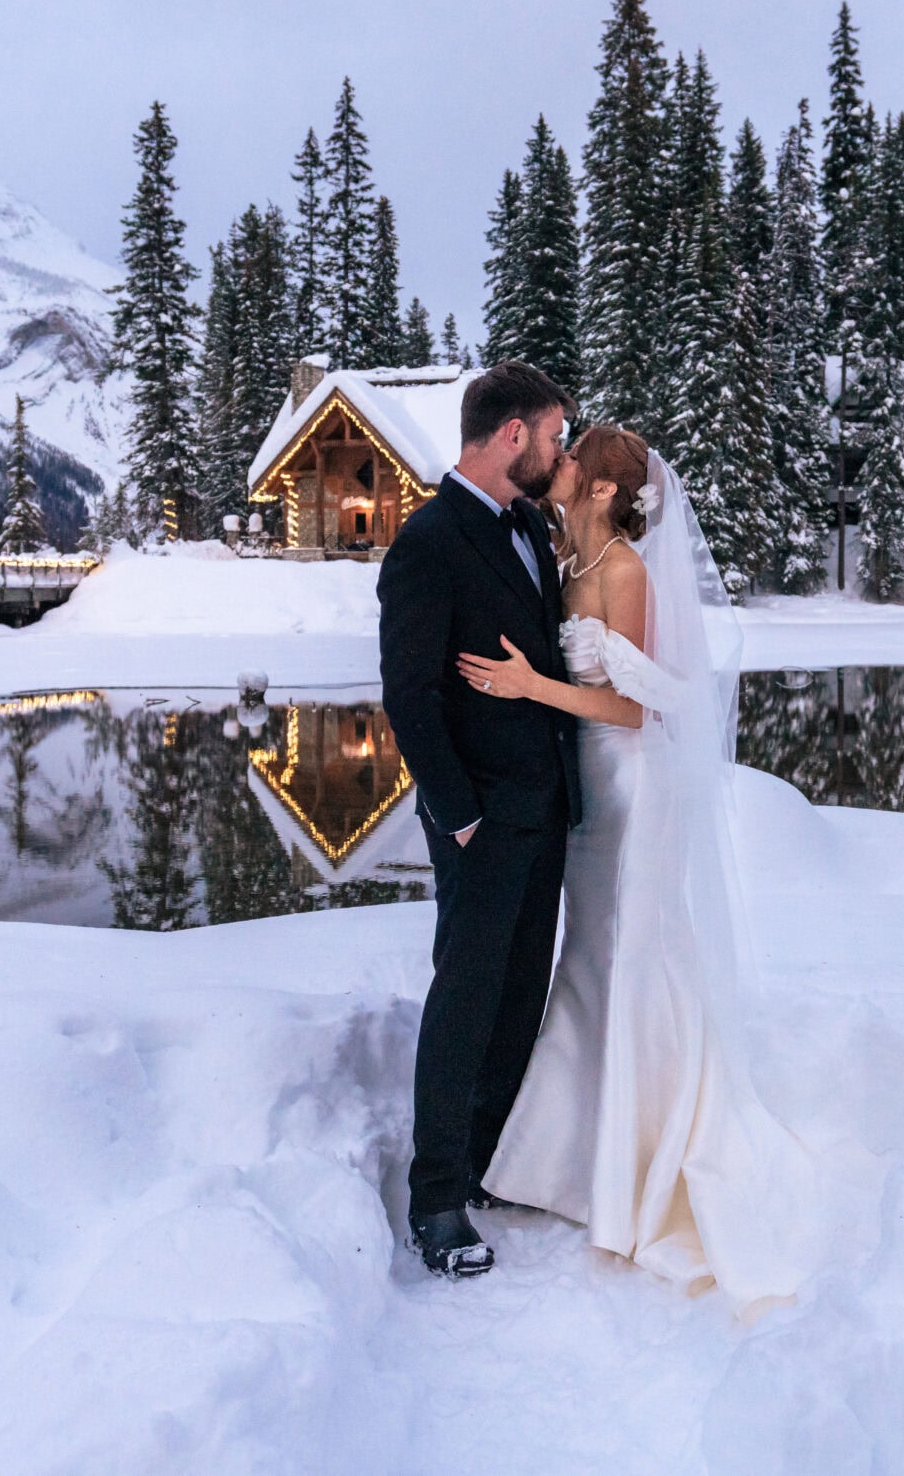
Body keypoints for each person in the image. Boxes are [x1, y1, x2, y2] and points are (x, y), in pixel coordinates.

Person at [460, 427, 821, 1306]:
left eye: (571, 457)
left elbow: (632, 708)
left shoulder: (625, 572)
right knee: (590, 951)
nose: (558, 462)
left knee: (633, 951)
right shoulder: (565, 556)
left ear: (600, 489)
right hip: (587, 784)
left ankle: (639, 1161)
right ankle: (568, 1155)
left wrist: (531, 686)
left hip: (636, 784)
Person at [375, 361, 580, 1278]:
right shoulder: (428, 542)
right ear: (512, 434)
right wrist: (458, 816)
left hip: (545, 809)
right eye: (554, 436)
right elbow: (410, 695)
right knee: (465, 1000)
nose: (560, 452)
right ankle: (435, 1197)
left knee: (519, 992)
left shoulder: (529, 524)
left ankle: (489, 1161)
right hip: (482, 819)